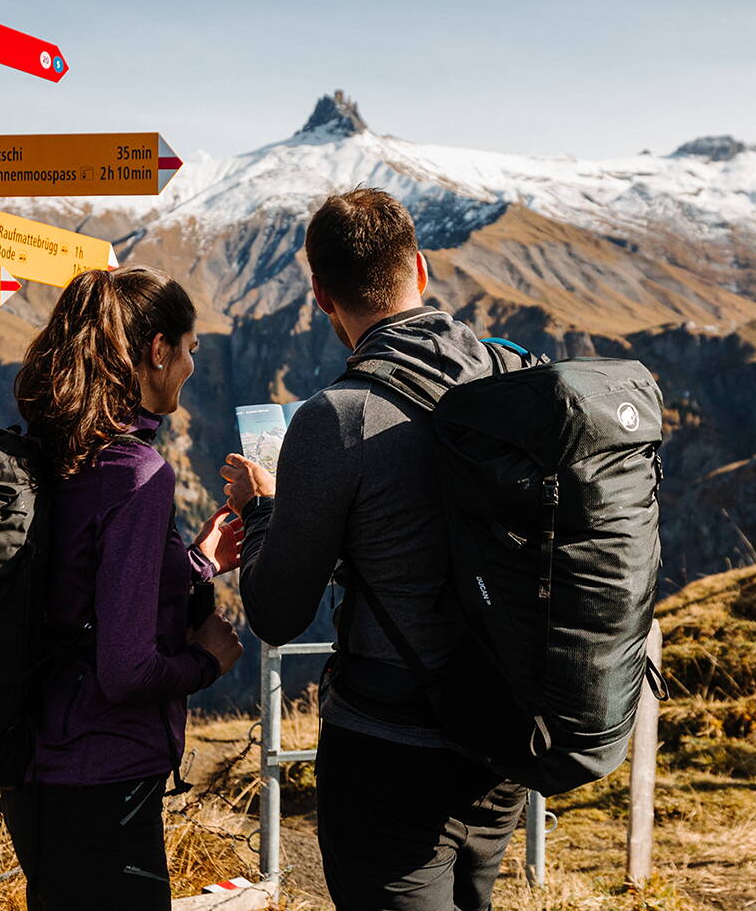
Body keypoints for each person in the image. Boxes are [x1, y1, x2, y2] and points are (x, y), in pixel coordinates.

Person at [222, 188, 528, 911]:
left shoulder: (339, 417)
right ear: (419, 268)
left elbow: (276, 612)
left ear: (322, 295)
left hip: (393, 746)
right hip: (505, 729)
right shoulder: (507, 374)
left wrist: (262, 511)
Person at [1, 266, 245, 911]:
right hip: (102, 774)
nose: (192, 367)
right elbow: (126, 670)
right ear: (157, 350)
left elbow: (85, 583)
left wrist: (195, 563)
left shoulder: (55, 448)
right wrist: (208, 661)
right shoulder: (137, 473)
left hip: (33, 765)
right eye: (189, 349)